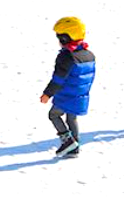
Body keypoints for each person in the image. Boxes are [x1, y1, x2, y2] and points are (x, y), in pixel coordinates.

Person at [40, 17, 95, 158]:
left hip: (66, 95)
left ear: (66, 38)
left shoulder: (66, 57)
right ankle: (74, 148)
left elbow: (58, 79)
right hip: (80, 95)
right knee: (72, 118)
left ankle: (68, 141)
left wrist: (47, 94)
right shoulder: (89, 55)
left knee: (54, 115)